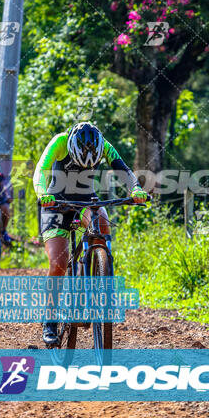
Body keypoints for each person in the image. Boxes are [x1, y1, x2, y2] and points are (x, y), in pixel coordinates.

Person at [33, 121, 148, 346]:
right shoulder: (59, 142)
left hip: (86, 201)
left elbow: (123, 170)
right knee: (58, 262)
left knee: (102, 224)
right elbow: (40, 170)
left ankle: (99, 270)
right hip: (55, 203)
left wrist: (135, 188)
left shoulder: (104, 144)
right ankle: (50, 321)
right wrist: (42, 192)